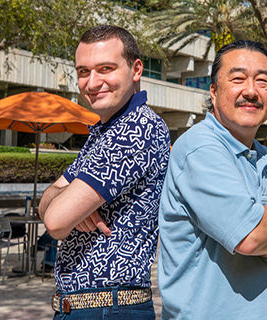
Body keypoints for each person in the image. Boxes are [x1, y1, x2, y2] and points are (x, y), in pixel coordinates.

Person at [158, 40, 267, 319]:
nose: (251, 91)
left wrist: (260, 228)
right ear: (214, 91)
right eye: (238, 79)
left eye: (263, 81)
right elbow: (251, 237)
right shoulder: (200, 148)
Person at [38, 25, 170, 319]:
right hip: (94, 306)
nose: (92, 82)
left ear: (136, 69)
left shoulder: (136, 129)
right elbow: (46, 202)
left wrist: (64, 204)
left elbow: (56, 222)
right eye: (83, 71)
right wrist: (63, 201)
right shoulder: (105, 132)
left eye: (106, 68)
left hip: (108, 307)